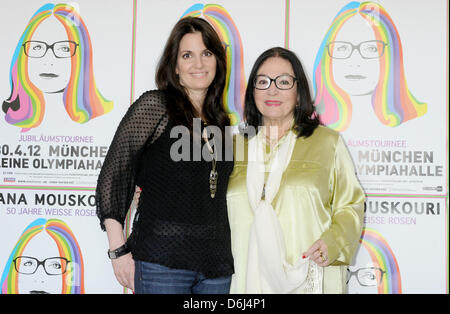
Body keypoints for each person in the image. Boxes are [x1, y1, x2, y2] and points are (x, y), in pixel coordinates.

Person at [95, 17, 234, 294]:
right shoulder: (155, 107)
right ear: (175, 66)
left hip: (216, 267)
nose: (198, 63)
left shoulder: (222, 122)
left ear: (218, 62)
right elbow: (113, 176)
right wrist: (118, 250)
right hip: (162, 263)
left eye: (207, 53)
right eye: (187, 55)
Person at [227, 47, 365, 294]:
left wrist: (332, 243)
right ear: (252, 92)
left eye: (283, 82)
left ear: (299, 93)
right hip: (244, 280)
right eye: (262, 81)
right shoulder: (233, 146)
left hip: (310, 277)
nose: (272, 89)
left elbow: (350, 205)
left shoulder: (327, 143)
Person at [312, 1, 426, 132]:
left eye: (371, 48)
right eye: (342, 47)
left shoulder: (418, 123)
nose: (354, 62)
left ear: (391, 55)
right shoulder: (309, 122)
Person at [2, 3, 113, 132]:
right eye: (37, 47)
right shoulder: (10, 116)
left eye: (64, 48)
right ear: (22, 54)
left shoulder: (101, 122)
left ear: (81, 56)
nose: (49, 61)